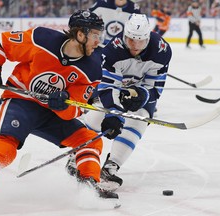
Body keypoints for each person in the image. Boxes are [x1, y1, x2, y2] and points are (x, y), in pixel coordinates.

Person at [0, 10, 121, 216]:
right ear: (80, 34)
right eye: (95, 35)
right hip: (21, 102)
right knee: (4, 147)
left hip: (51, 113)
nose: (99, 41)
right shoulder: (41, 39)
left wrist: (64, 106)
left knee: (89, 140)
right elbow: (0, 43)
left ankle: (89, 190)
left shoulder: (92, 67)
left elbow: (77, 107)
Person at [66, 13, 172, 191]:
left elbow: (155, 89)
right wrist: (115, 113)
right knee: (97, 115)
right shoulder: (113, 50)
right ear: (125, 35)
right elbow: (108, 87)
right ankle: (78, 152)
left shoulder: (162, 51)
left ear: (147, 37)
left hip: (140, 90)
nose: (135, 46)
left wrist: (141, 95)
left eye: (140, 41)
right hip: (116, 88)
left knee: (141, 119)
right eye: (131, 40)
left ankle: (110, 167)